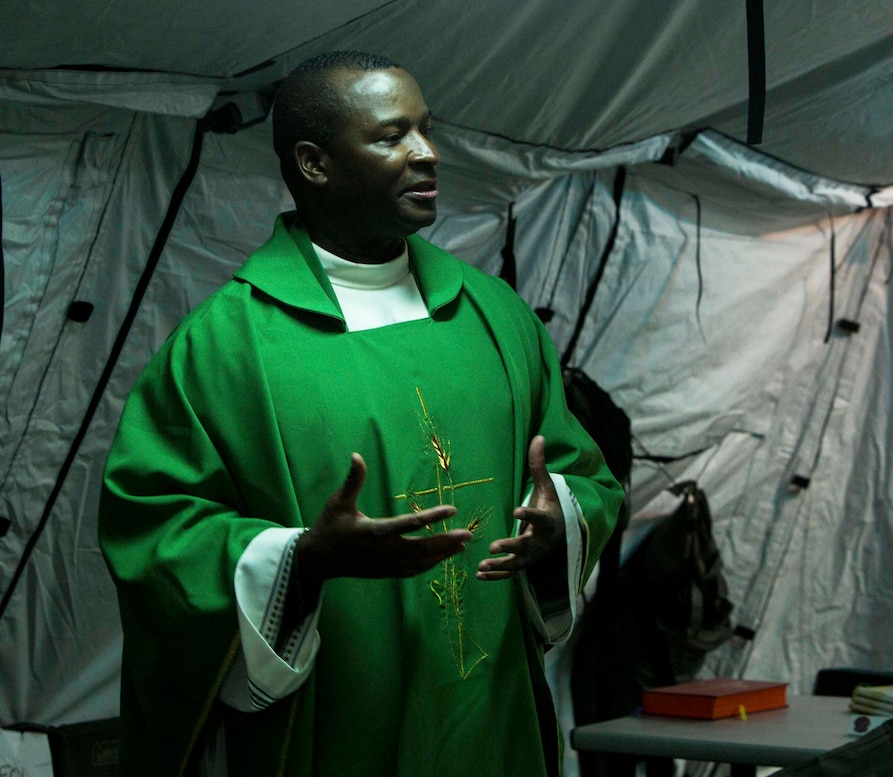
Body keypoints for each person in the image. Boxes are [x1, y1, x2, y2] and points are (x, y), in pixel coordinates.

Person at [98, 51, 622, 777]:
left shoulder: (495, 316)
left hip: (490, 710)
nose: (427, 153)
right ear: (314, 164)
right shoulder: (226, 346)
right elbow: (152, 530)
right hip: (338, 719)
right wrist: (303, 558)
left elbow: (581, 474)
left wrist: (562, 521)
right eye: (391, 136)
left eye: (427, 130)